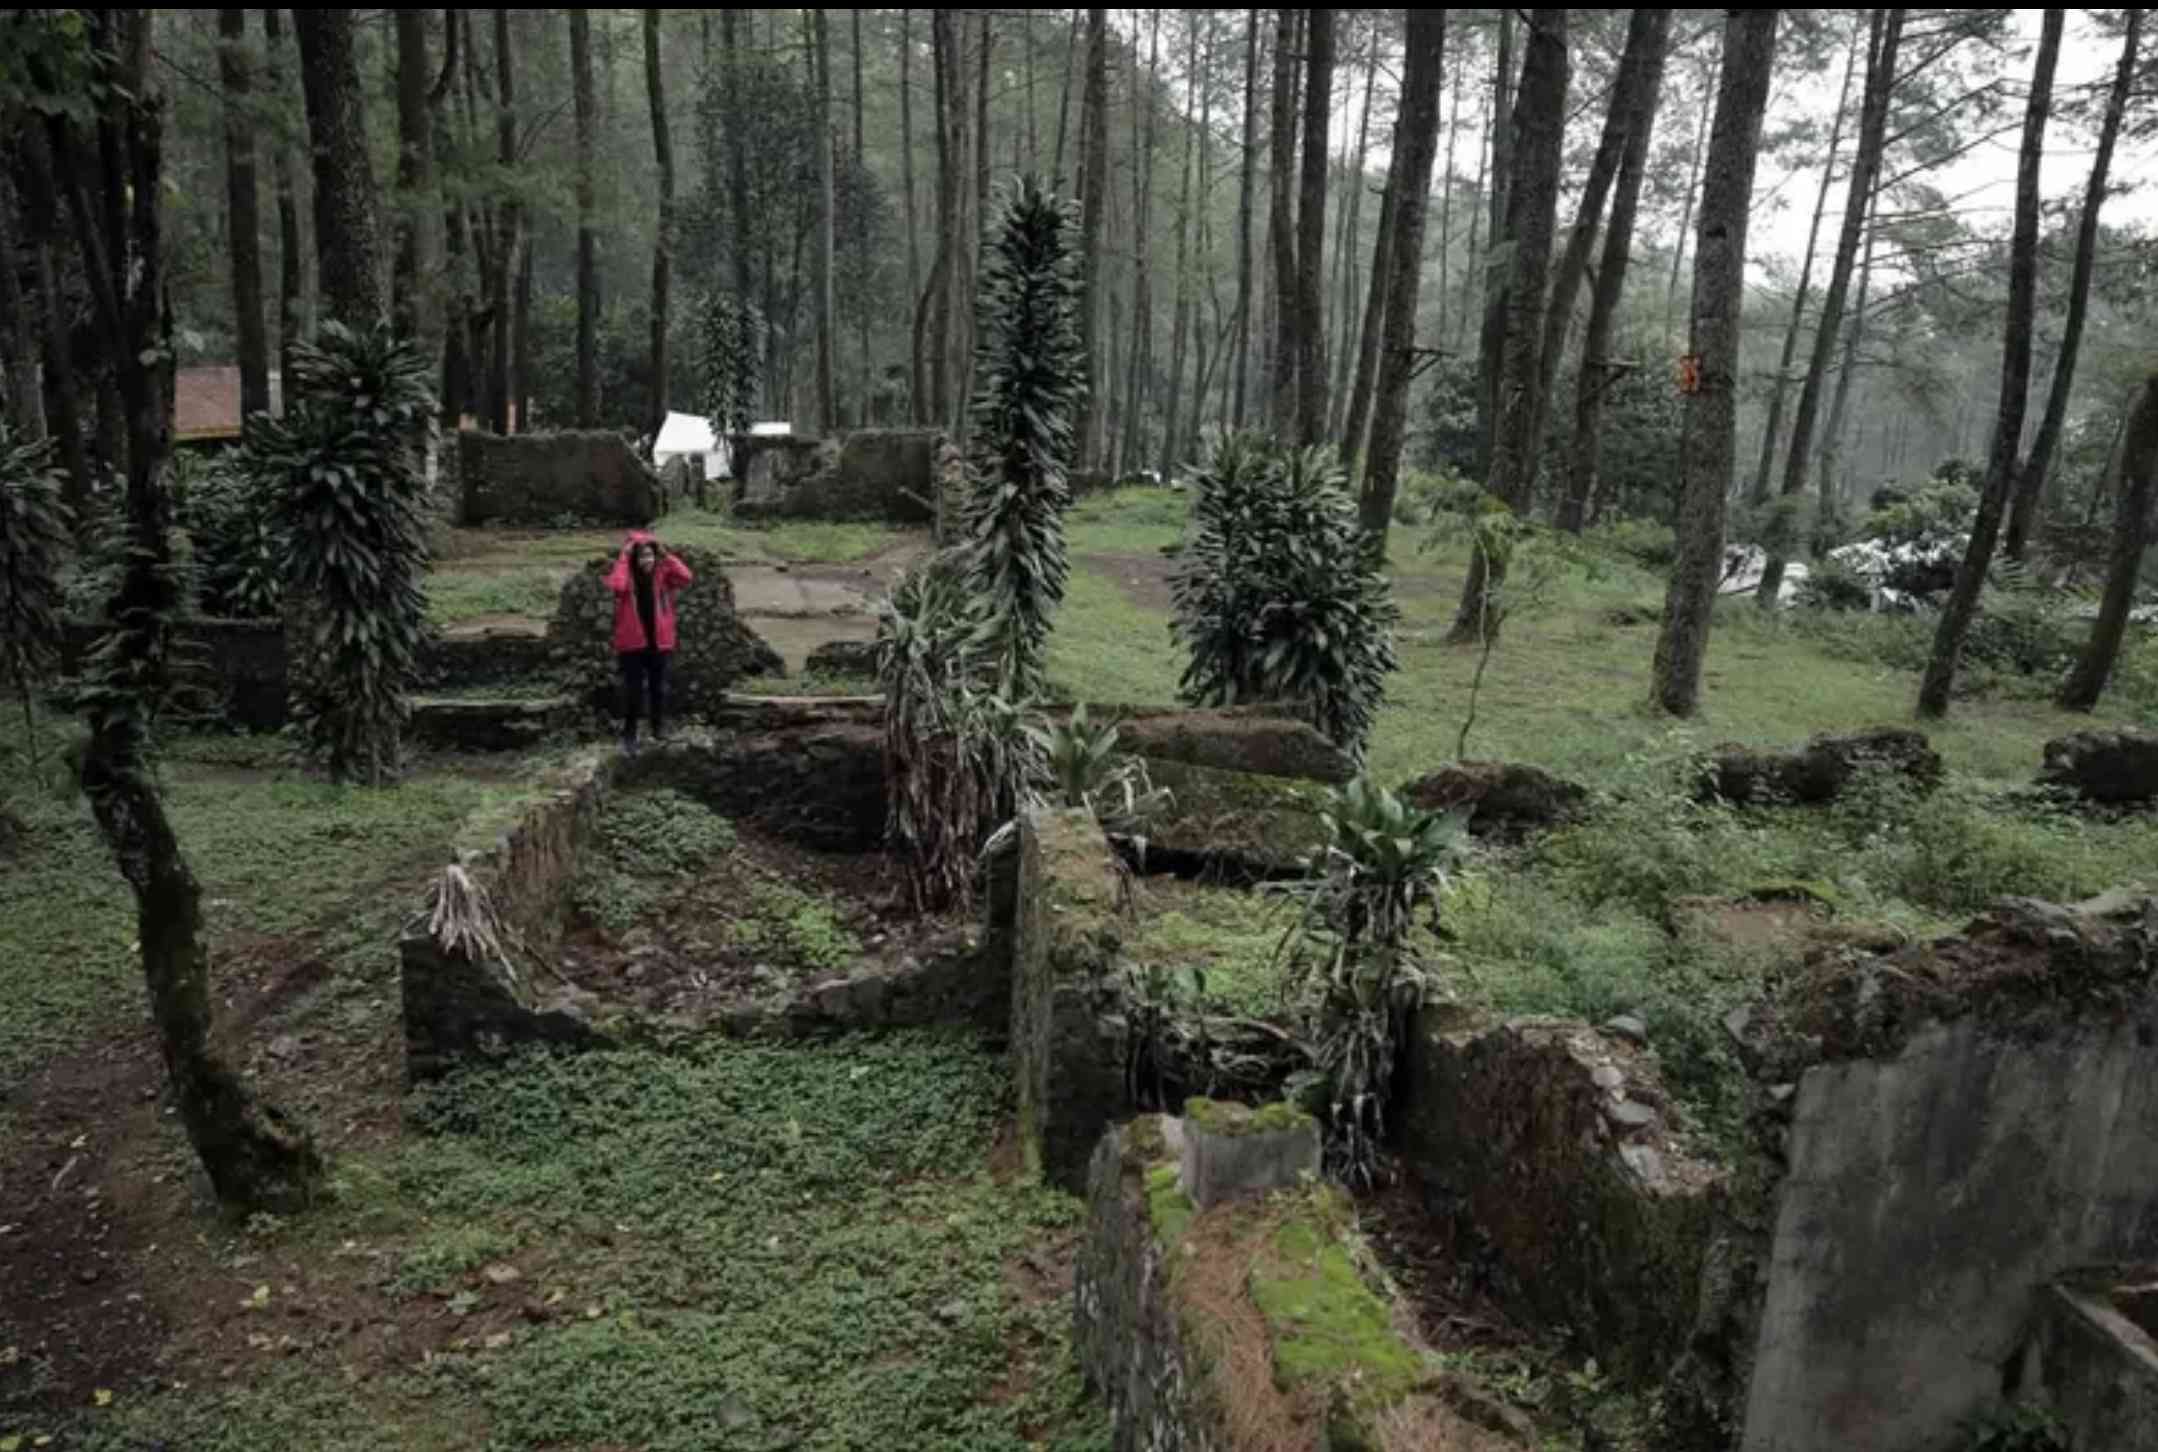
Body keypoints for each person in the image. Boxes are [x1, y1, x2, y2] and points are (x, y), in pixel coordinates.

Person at [605, 531, 693, 751]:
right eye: (642, 556)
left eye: (650, 555)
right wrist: (624, 557)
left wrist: (666, 554)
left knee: (658, 688)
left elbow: (686, 577)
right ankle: (630, 733)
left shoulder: (663, 575)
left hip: (659, 642)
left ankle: (657, 728)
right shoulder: (627, 577)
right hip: (632, 644)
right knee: (633, 690)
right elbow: (617, 585)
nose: (648, 560)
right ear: (634, 559)